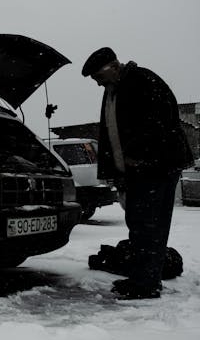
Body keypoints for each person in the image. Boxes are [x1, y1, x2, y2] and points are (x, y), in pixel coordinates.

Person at [81, 47, 193, 300]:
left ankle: (147, 284)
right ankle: (142, 277)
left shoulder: (143, 81)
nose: (97, 83)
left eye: (98, 76)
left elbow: (162, 123)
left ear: (113, 66)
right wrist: (118, 173)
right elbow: (110, 135)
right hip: (137, 171)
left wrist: (142, 156)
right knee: (140, 224)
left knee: (149, 225)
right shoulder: (113, 91)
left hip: (155, 169)